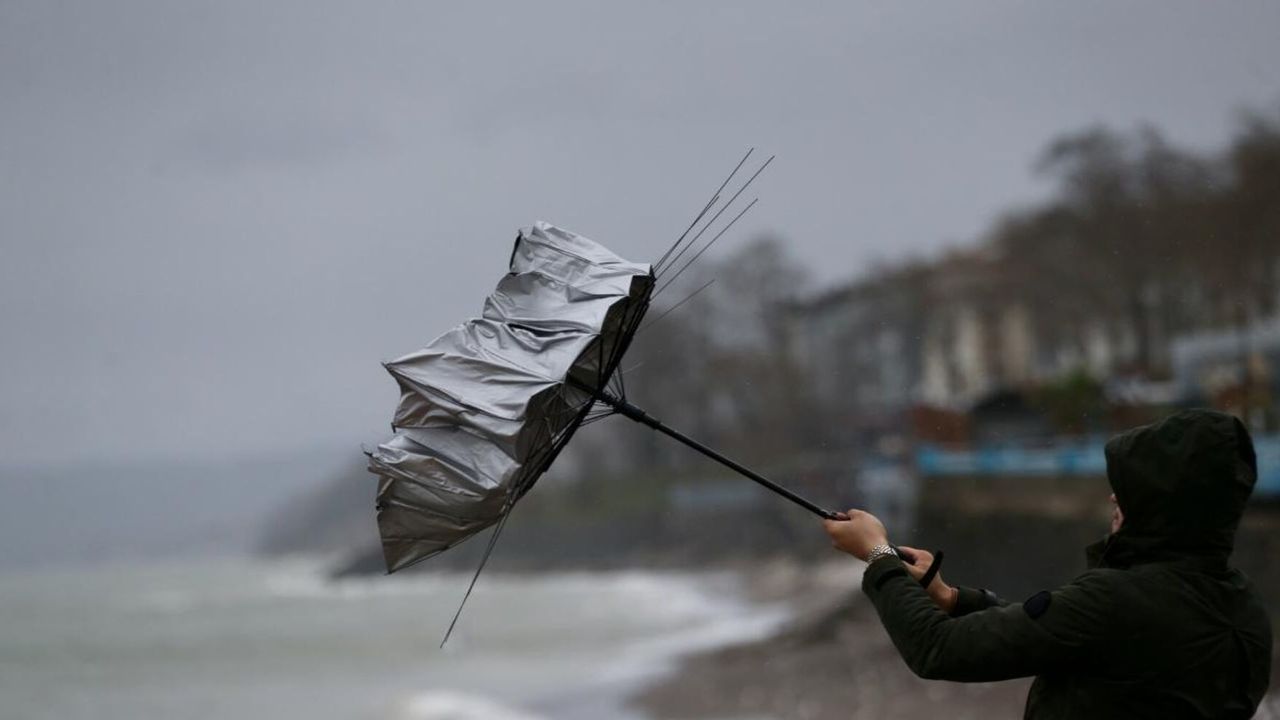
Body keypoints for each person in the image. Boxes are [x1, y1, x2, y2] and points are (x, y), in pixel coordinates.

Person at [823, 409, 1272, 718]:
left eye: (1132, 487)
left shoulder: (1116, 601)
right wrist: (951, 598)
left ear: (1166, 502)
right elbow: (1069, 638)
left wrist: (877, 555)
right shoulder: (1244, 610)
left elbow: (939, 649)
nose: (1114, 496)